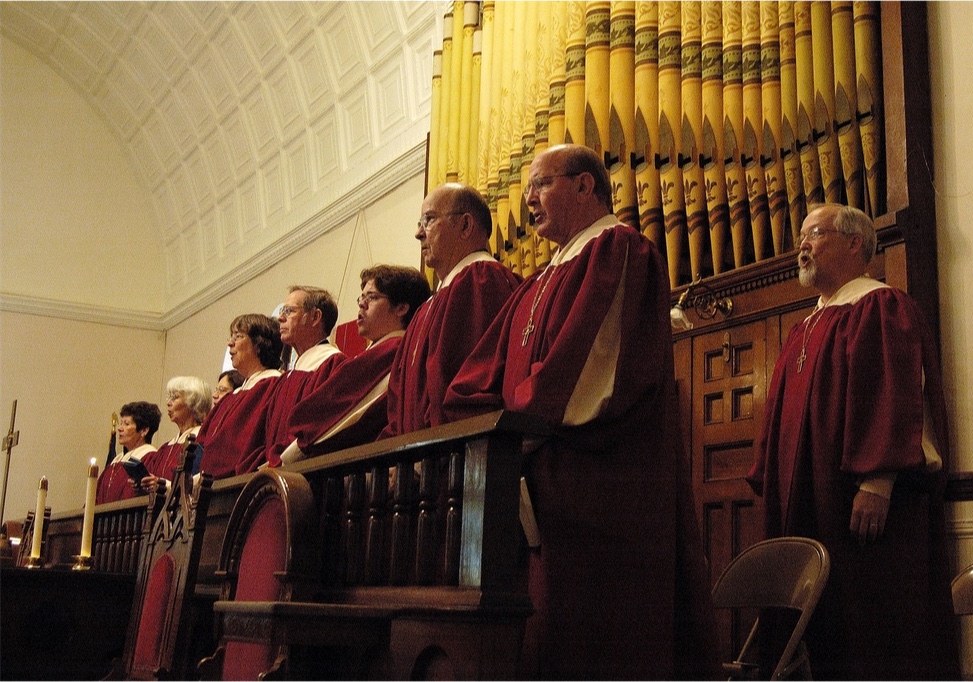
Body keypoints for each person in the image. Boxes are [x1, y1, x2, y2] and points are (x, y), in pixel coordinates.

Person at [444, 144, 719, 680]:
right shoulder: (541, 278)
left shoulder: (620, 250)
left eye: (541, 185)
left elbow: (590, 365)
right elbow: (477, 377)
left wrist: (512, 430)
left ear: (584, 186)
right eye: (526, 189)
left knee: (594, 636)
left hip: (599, 492)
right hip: (540, 481)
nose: (528, 200)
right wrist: (479, 422)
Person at [746, 203, 960, 680]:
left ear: (855, 243)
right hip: (808, 499)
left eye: (814, 235)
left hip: (856, 505)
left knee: (864, 623)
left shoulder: (881, 306)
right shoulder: (807, 325)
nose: (802, 246)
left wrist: (878, 482)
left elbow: (896, 393)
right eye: (800, 236)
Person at [379, 182, 520, 438]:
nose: (418, 233)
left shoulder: (482, 281)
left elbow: (474, 384)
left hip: (453, 458)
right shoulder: (428, 307)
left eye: (429, 220)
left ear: (465, 225)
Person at [278, 265, 431, 463]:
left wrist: (288, 457)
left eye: (373, 297)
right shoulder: (375, 352)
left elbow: (337, 415)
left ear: (401, 308)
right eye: (362, 297)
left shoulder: (394, 350)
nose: (362, 305)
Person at [248, 286, 345, 470]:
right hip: (275, 474)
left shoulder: (331, 364)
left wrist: (280, 462)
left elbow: (317, 429)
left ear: (315, 317)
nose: (280, 318)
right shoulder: (286, 377)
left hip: (304, 474)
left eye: (289, 311)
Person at [196, 314, 283, 479]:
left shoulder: (272, 387)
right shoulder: (231, 397)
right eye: (231, 336)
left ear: (259, 345)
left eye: (238, 336)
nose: (230, 343)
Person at [140, 376, 213, 493]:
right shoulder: (166, 448)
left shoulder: (201, 441)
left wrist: (164, 486)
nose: (168, 403)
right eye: (169, 397)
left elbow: (199, 479)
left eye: (175, 397)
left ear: (193, 402)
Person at [95, 401, 162, 504]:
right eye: (121, 423)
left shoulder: (151, 458)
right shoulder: (116, 461)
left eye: (127, 424)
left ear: (144, 430)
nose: (120, 428)